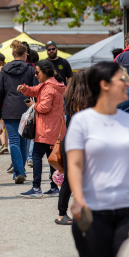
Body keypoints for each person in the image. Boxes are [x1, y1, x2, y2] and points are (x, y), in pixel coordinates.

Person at [66, 62, 129, 257]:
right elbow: (75, 165)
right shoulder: (82, 121)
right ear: (104, 85)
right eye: (122, 79)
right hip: (93, 213)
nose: (128, 84)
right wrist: (79, 200)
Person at [18, 60, 66, 198]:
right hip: (54, 129)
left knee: (37, 156)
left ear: (45, 72)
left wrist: (33, 105)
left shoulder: (49, 88)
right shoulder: (51, 85)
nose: (36, 74)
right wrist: (25, 89)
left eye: (37, 72)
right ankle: (54, 187)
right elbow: (35, 89)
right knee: (52, 158)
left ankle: (36, 188)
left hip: (46, 129)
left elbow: (44, 107)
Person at [0, 40, 36, 183]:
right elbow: (36, 91)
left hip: (10, 109)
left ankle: (19, 172)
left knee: (13, 141)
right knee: (23, 143)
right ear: (25, 54)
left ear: (13, 54)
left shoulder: (4, 70)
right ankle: (20, 171)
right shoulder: (31, 69)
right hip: (26, 108)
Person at [55, 69, 90, 225]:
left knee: (69, 179)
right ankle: (66, 214)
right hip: (82, 141)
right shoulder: (89, 100)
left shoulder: (69, 97)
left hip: (69, 140)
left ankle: (63, 213)